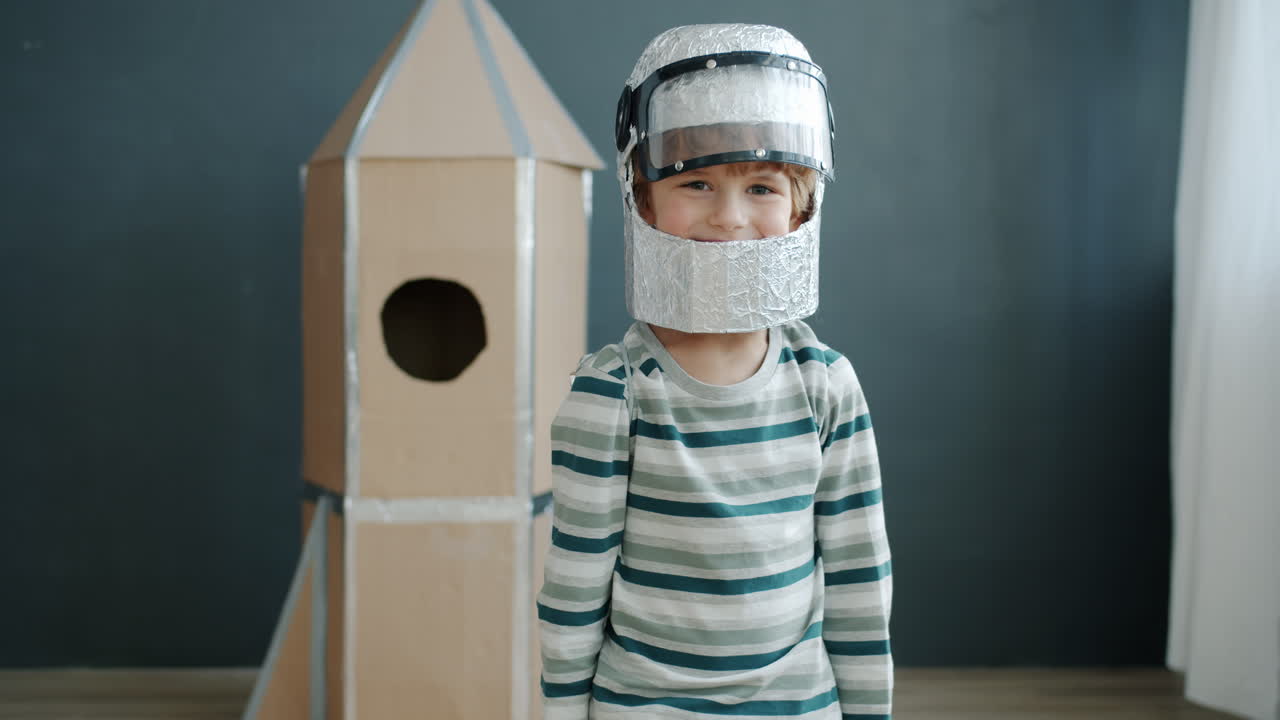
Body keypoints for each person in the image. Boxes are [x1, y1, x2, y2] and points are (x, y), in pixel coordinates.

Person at [537, 24, 893, 720]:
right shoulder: (612, 395)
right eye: (696, 181)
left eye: (761, 185)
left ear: (802, 206)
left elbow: (859, 579)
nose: (730, 219)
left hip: (797, 705)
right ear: (642, 196)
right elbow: (574, 590)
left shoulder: (826, 387)